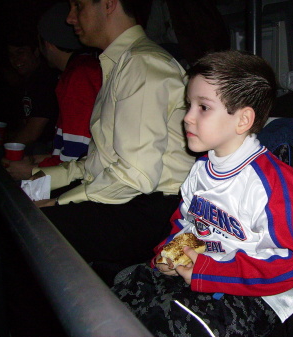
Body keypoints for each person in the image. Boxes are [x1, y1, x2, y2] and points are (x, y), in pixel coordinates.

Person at [112, 50, 293, 337]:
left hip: (263, 293)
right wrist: (171, 255)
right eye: (188, 105)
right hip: (206, 268)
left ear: (242, 120)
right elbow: (187, 225)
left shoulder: (273, 182)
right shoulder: (202, 168)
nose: (188, 118)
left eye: (203, 107)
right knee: (127, 292)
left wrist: (208, 272)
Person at [30, 0, 195, 283]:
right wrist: (39, 177)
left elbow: (136, 175)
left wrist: (60, 202)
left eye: (78, 6)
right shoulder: (122, 63)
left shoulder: (142, 64)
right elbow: (99, 163)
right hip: (131, 198)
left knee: (28, 235)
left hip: (154, 211)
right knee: (23, 211)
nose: (70, 18)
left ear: (108, 5)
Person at [4, 2, 102, 181]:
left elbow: (77, 155)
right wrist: (40, 160)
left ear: (46, 44)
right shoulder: (79, 69)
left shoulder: (79, 75)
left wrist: (33, 171)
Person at [6, 28, 59, 155]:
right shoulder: (27, 83)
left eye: (20, 52)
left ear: (35, 52)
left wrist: (6, 151)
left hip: (48, 150)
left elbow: (32, 132)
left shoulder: (45, 80)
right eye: (11, 55)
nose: (15, 59)